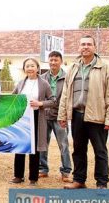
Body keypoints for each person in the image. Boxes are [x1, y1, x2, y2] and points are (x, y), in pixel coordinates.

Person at [58, 35, 109, 189]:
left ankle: (102, 183)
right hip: (77, 115)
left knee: (100, 151)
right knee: (78, 150)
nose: (85, 47)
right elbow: (65, 93)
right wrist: (62, 115)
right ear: (79, 47)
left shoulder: (106, 67)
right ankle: (79, 180)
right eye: (83, 44)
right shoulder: (73, 68)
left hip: (97, 117)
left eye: (89, 44)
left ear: (94, 47)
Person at [10, 57, 55, 186]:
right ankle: (18, 176)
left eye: (32, 66)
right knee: (20, 146)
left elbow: (53, 101)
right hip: (22, 119)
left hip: (36, 117)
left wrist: (40, 103)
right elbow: (11, 98)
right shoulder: (20, 83)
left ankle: (33, 178)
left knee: (34, 149)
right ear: (24, 69)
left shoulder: (44, 83)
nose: (29, 68)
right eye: (27, 66)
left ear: (37, 68)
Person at [39, 51, 72, 182]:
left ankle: (66, 171)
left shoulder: (67, 77)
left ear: (61, 61)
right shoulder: (41, 78)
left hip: (60, 116)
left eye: (56, 60)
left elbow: (69, 98)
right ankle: (43, 169)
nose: (53, 62)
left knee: (63, 145)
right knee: (42, 144)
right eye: (51, 60)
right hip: (44, 116)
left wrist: (66, 114)